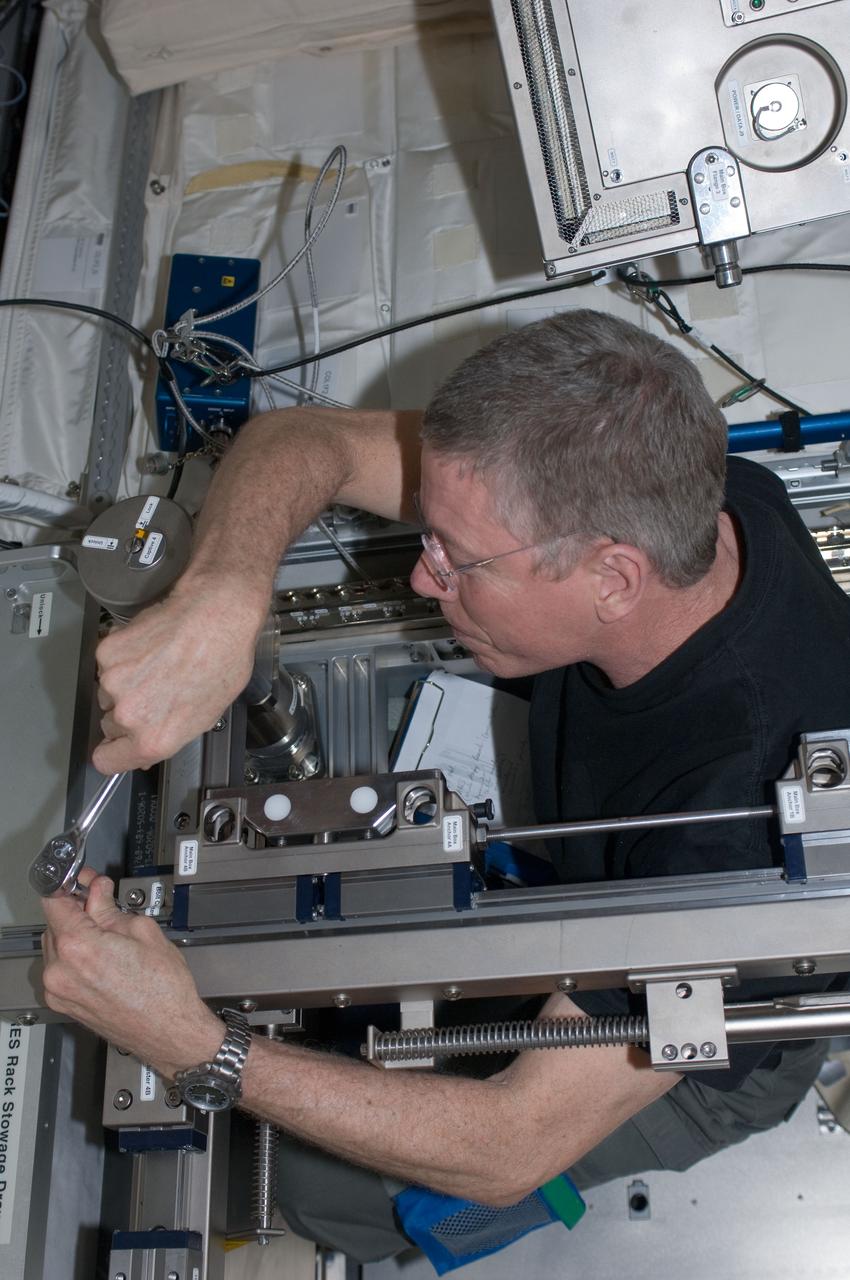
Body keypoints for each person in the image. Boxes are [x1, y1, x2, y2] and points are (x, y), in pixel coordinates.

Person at [40, 309, 850, 1263]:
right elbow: (310, 440)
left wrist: (193, 1047)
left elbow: (510, 1143)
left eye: (456, 562)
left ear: (613, 580)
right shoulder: (700, 492)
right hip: (607, 882)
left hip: (699, 1039)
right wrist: (224, 594)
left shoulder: (742, 828)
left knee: (318, 1187)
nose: (425, 583)